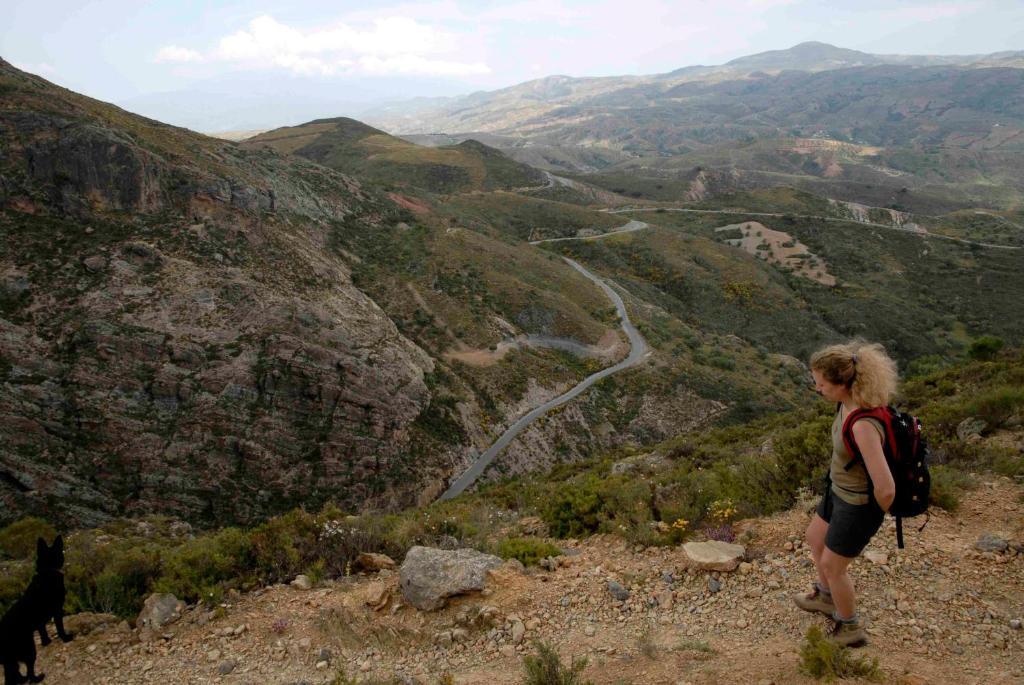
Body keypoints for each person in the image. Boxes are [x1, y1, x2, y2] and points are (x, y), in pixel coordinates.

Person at [793, 341, 898, 646]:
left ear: (841, 384)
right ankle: (826, 598)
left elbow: (886, 488)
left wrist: (869, 516)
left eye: (821, 383)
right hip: (838, 492)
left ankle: (850, 628)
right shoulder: (845, 403)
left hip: (857, 505)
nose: (818, 389)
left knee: (833, 566)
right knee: (815, 538)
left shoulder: (863, 425)